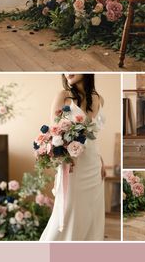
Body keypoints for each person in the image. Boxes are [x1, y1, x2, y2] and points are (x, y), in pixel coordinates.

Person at [40, 74, 106, 241]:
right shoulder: (63, 96)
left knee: (91, 215)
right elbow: (54, 135)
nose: (67, 71)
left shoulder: (99, 99)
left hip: (93, 165)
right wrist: (61, 165)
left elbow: (93, 137)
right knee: (67, 212)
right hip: (72, 165)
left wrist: (101, 160)